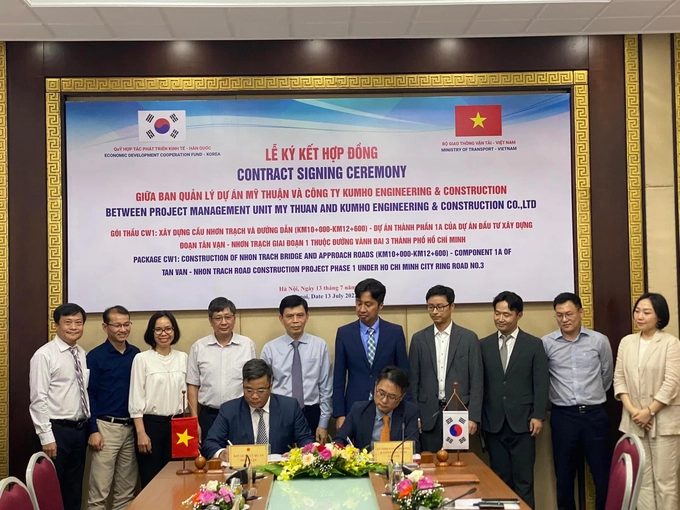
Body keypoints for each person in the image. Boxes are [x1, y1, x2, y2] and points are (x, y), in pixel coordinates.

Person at [542, 292, 613, 510]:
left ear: (581, 312)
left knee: (603, 476)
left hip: (595, 416)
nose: (564, 319)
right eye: (559, 315)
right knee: (564, 478)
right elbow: (544, 379)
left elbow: (607, 376)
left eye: (569, 314)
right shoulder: (547, 343)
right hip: (564, 417)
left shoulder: (599, 341)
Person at [480, 291, 548, 510]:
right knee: (499, 480)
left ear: (519, 315)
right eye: (497, 313)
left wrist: (538, 415)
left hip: (524, 423)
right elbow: (480, 384)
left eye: (506, 314)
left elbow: (541, 383)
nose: (500, 318)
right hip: (494, 423)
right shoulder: (483, 345)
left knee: (524, 481)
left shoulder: (534, 344)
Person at [613, 292, 680, 510]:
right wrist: (634, 411)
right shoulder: (627, 342)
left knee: (665, 483)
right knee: (641, 482)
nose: (640, 316)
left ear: (659, 316)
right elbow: (619, 379)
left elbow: (672, 383)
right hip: (634, 420)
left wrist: (649, 411)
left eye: (646, 312)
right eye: (637, 311)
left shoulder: (671, 343)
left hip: (664, 423)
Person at [29, 303, 90, 510]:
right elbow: (38, 399)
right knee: (51, 491)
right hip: (56, 431)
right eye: (68, 322)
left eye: (78, 322)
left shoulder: (81, 353)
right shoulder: (44, 355)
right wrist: (46, 436)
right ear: (56, 325)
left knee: (74, 489)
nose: (73, 327)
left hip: (79, 430)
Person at [409, 285, 482, 453]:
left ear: (452, 306)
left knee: (457, 461)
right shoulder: (419, 339)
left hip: (459, 412)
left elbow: (477, 380)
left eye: (440, 307)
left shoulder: (469, 338)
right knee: (429, 463)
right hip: (428, 414)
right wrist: (415, 415)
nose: (435, 311)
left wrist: (473, 417)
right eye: (430, 307)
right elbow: (413, 381)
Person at [333, 278, 409, 429]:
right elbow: (339, 378)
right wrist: (340, 414)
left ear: (380, 305)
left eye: (368, 305)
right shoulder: (344, 333)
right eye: (358, 303)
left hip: (389, 406)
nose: (362, 309)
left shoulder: (395, 332)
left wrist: (407, 411)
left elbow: (404, 375)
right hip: (355, 406)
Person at [202, 359, 314, 460]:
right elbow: (210, 443)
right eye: (249, 390)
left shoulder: (289, 407)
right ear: (243, 386)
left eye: (261, 391)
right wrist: (222, 454)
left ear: (270, 387)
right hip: (242, 471)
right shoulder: (229, 410)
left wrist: (299, 452)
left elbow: (306, 439)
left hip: (279, 470)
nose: (254, 396)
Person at [86, 305, 140, 510]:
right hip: (105, 428)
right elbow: (89, 395)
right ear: (105, 327)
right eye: (117, 325)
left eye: (126, 324)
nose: (122, 329)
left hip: (130, 428)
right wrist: (93, 430)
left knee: (126, 493)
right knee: (99, 493)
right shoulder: (95, 356)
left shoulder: (136, 354)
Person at [261, 295, 333, 443]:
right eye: (290, 316)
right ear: (281, 319)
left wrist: (323, 423)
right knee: (279, 454)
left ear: (307, 317)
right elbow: (264, 387)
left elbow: (326, 387)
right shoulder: (270, 349)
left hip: (311, 412)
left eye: (300, 315)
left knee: (310, 455)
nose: (295, 321)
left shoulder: (319, 346)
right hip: (280, 412)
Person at [129, 311, 188, 488]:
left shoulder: (183, 357)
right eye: (159, 329)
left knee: (179, 480)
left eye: (168, 329)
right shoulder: (142, 359)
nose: (164, 333)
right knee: (152, 481)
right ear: (152, 332)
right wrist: (141, 433)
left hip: (179, 426)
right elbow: (136, 398)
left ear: (174, 331)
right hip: (151, 427)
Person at [187, 297, 256, 441]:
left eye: (228, 317)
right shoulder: (199, 347)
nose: (223, 322)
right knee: (211, 453)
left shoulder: (247, 345)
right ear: (210, 321)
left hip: (240, 414)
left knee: (240, 453)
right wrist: (194, 421)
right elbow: (193, 385)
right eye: (218, 318)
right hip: (209, 415)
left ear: (234, 319)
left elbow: (254, 382)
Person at [336, 365, 420, 452]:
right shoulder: (358, 410)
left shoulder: (410, 412)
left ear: (401, 396)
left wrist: (380, 453)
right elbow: (339, 440)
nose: (384, 400)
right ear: (375, 386)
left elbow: (412, 446)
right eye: (381, 393)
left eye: (392, 397)